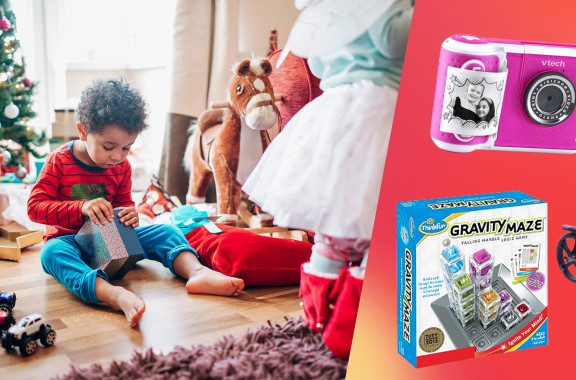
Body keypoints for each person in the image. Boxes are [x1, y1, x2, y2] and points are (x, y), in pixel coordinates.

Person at [242, 0, 413, 360]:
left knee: (334, 232)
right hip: (380, 109)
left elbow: (317, 63)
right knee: (381, 230)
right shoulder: (390, 6)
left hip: (330, 113)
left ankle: (318, 320)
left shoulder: (327, 13)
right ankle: (357, 329)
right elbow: (391, 40)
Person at [27, 79, 245, 327]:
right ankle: (112, 294)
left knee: (166, 230)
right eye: (109, 147)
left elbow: (123, 205)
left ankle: (197, 272)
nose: (117, 156)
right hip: (70, 242)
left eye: (126, 147)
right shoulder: (58, 162)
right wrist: (81, 207)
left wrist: (128, 215)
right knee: (51, 254)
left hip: (110, 242)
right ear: (82, 131)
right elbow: (35, 208)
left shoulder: (121, 166)